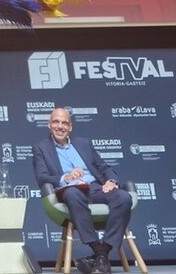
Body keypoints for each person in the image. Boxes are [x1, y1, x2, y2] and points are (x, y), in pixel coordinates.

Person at [32, 108, 132, 274]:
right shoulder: (40, 148)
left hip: (95, 188)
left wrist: (111, 181)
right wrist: (66, 177)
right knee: (72, 193)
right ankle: (99, 251)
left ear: (70, 127)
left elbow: (104, 167)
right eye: (56, 122)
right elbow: (42, 177)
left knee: (123, 197)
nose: (60, 126)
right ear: (49, 125)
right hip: (70, 190)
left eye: (64, 123)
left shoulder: (84, 143)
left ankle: (100, 255)